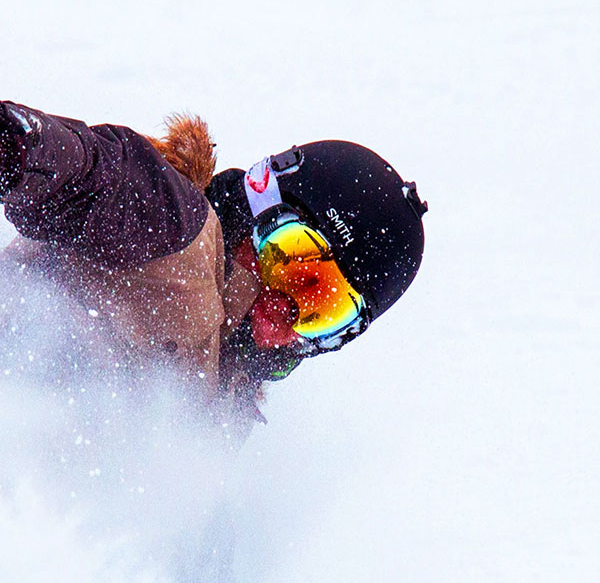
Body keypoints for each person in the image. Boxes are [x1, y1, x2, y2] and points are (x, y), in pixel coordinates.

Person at [0, 100, 427, 438]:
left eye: (323, 310)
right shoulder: (175, 228)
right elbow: (97, 173)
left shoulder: (227, 405)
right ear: (260, 204)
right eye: (289, 260)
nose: (280, 319)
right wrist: (21, 148)